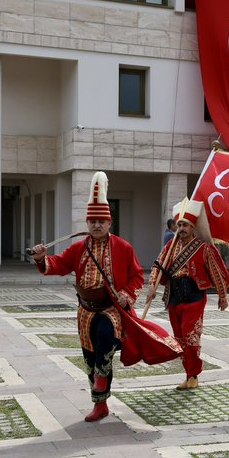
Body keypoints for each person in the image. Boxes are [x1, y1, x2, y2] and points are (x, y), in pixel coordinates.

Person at [30, 171, 181, 422]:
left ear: (110, 223)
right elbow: (57, 264)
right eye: (92, 221)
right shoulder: (78, 248)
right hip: (85, 311)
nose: (97, 225)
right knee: (89, 358)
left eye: (101, 221)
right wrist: (40, 258)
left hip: (111, 309)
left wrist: (126, 294)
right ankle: (100, 404)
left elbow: (136, 277)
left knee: (104, 338)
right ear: (87, 223)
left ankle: (102, 381)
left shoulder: (123, 247)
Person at [145, 198, 229, 391]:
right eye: (179, 224)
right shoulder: (170, 247)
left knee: (190, 336)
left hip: (194, 297)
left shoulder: (203, 247)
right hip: (174, 296)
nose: (181, 228)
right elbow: (158, 265)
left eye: (186, 225)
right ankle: (188, 373)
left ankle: (194, 375)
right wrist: (152, 285)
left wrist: (222, 295)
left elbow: (216, 271)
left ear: (193, 228)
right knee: (179, 339)